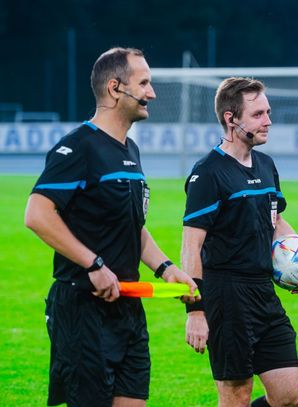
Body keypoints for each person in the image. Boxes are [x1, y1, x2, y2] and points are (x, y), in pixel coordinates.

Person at [24, 47, 199, 407]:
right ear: (115, 88)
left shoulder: (130, 150)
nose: (152, 93)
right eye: (144, 83)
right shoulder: (78, 147)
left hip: (128, 308)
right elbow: (37, 214)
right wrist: (94, 264)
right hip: (83, 308)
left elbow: (132, 225)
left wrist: (167, 268)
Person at [181, 77, 298, 407]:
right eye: (258, 114)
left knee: (289, 396)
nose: (268, 120)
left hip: (263, 292)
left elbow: (275, 221)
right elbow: (191, 246)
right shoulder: (208, 173)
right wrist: (195, 311)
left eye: (268, 112)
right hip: (226, 295)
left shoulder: (266, 165)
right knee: (236, 393)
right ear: (231, 119)